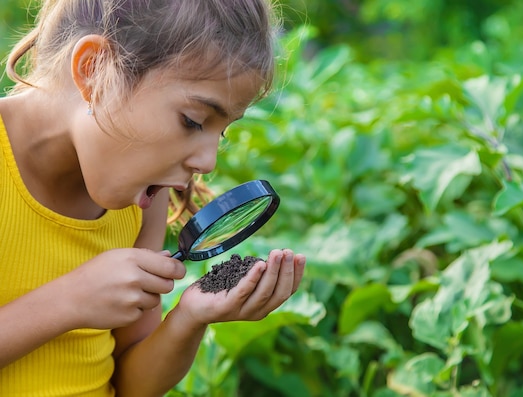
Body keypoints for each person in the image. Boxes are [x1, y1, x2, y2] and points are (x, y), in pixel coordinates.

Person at [0, 0, 306, 395]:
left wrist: (189, 318)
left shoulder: (141, 197)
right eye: (192, 121)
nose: (208, 161)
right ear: (93, 70)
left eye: (222, 131)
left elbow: (131, 385)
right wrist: (69, 301)